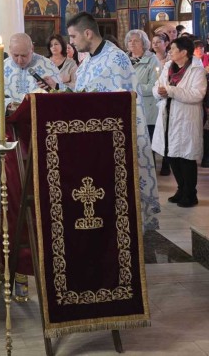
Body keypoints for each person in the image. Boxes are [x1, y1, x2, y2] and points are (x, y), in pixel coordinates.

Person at [0, 33, 61, 299]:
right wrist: (9, 107)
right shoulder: (2, 68)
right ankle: (17, 271)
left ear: (32, 49)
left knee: (43, 206)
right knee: (12, 206)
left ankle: (49, 266)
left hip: (40, 145)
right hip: (12, 146)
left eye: (24, 55)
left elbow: (60, 97)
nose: (19, 60)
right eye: (14, 55)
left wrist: (52, 90)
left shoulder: (47, 66)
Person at [67, 12, 160, 231]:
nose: (70, 42)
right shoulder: (90, 59)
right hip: (94, 138)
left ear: (87, 33)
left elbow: (121, 104)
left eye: (73, 36)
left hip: (115, 140)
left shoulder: (116, 59)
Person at [153, 36, 206, 208]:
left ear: (183, 52)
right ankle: (181, 188)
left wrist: (170, 90)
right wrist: (158, 92)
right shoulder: (168, 66)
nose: (169, 52)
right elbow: (157, 85)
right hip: (168, 116)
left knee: (186, 158)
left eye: (173, 50)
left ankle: (191, 194)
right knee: (171, 154)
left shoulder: (196, 70)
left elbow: (197, 94)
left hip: (186, 118)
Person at [125, 29, 161, 146]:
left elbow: (154, 87)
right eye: (130, 41)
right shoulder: (124, 59)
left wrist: (133, 88)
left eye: (136, 41)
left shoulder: (152, 60)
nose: (132, 43)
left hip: (147, 109)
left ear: (144, 43)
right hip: (127, 107)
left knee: (147, 147)